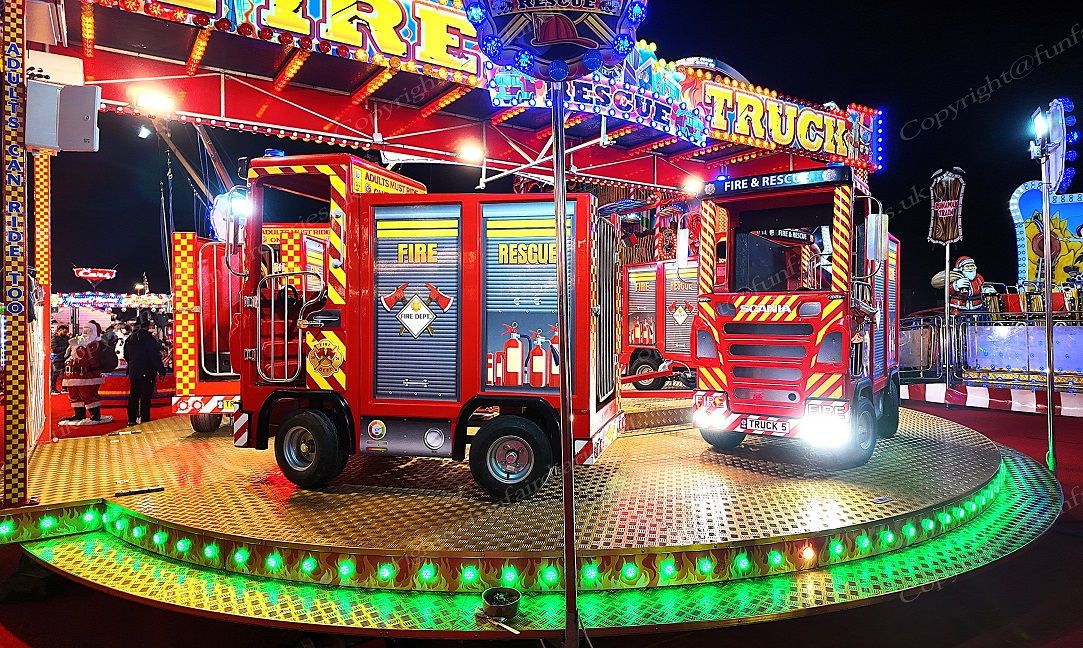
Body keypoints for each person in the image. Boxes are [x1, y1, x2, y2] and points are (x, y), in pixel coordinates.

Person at [124, 316, 166, 426]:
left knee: (133, 395)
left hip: (134, 371)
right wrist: (161, 371)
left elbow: (126, 355)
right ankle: (145, 419)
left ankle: (131, 419)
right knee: (145, 397)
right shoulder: (149, 340)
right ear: (147, 327)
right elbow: (154, 357)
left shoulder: (130, 339)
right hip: (147, 372)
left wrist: (132, 366)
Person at [62, 321, 106, 423]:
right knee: (74, 395)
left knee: (88, 394)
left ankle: (95, 414)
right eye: (84, 330)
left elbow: (82, 354)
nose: (85, 333)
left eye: (88, 331)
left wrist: (74, 346)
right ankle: (79, 414)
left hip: (87, 375)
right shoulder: (80, 342)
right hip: (73, 375)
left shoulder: (94, 344)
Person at [50, 323, 70, 395]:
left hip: (65, 358)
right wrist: (66, 348)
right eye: (64, 332)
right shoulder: (55, 338)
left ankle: (64, 388)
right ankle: (53, 389)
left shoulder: (66, 338)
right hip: (57, 358)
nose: (65, 333)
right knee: (56, 374)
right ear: (60, 330)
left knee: (65, 374)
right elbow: (55, 349)